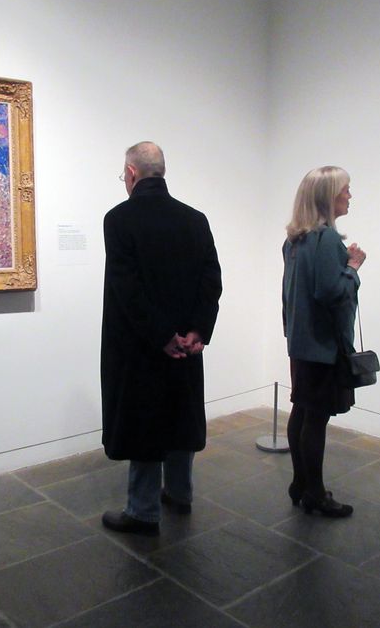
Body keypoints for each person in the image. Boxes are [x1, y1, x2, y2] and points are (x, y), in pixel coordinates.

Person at [100, 141, 222, 536]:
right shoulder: (195, 219)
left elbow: (127, 289)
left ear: (132, 174)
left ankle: (142, 510)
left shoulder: (119, 219)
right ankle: (181, 493)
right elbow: (211, 280)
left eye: (124, 175)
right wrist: (196, 331)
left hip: (143, 346)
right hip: (187, 345)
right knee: (180, 414)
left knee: (145, 421)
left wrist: (161, 336)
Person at [282, 166, 366, 518]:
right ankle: (314, 492)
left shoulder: (294, 239)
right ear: (328, 196)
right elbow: (332, 292)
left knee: (302, 410)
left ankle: (300, 483)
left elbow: (290, 294)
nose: (350, 195)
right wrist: (353, 267)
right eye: (345, 190)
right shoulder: (328, 239)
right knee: (314, 418)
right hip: (322, 344)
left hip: (301, 341)